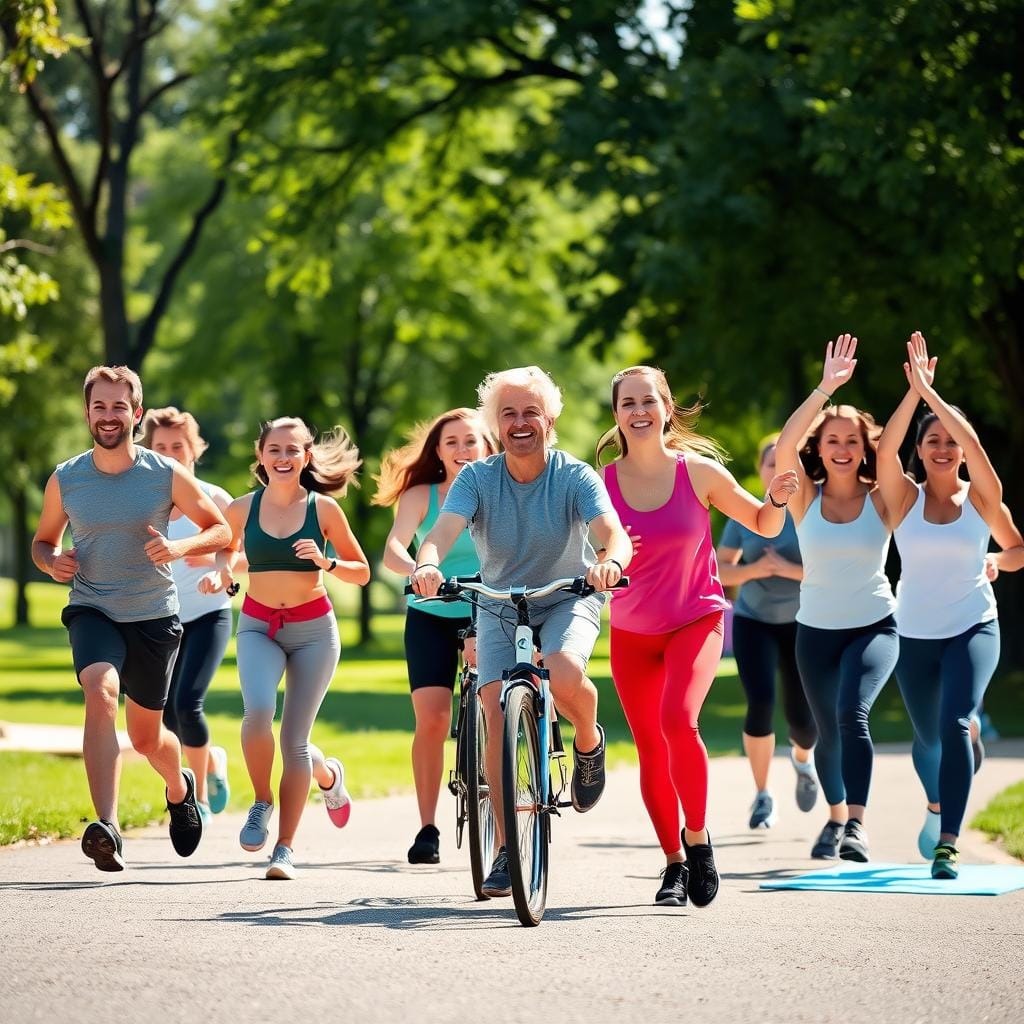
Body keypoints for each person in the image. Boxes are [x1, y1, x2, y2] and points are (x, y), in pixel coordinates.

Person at [410, 366, 632, 899]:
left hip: (566, 595)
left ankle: (587, 740)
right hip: (499, 604)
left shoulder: (575, 476)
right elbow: (440, 535)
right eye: (508, 414)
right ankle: (508, 849)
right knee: (492, 702)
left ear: (550, 419)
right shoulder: (478, 479)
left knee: (562, 668)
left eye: (530, 411)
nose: (519, 422)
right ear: (496, 425)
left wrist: (609, 563)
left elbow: (612, 534)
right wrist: (428, 563)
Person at [598, 366, 798, 908]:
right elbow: (581, 550)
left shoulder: (700, 473)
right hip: (633, 632)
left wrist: (776, 498)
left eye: (648, 401)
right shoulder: (602, 485)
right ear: (615, 415)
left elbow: (763, 523)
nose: (638, 412)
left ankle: (699, 839)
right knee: (648, 749)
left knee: (676, 721)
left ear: (667, 408)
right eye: (627, 404)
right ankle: (672, 863)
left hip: (696, 619)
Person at [31, 366, 231, 871]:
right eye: (100, 406)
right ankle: (107, 828)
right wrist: (51, 561)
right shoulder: (67, 477)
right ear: (87, 412)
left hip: (152, 615)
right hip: (92, 606)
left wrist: (179, 545)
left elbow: (221, 529)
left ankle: (179, 785)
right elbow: (43, 541)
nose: (109, 416)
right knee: (99, 691)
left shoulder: (162, 473)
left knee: (146, 737)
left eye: (119, 406)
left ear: (136, 414)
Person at [877, 332, 1024, 879]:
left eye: (951, 440)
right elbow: (884, 451)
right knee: (929, 736)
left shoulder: (982, 497)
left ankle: (947, 842)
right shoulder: (905, 498)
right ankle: (937, 802)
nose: (943, 447)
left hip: (973, 626)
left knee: (957, 722)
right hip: (913, 632)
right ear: (921, 449)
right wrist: (915, 395)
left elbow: (1016, 550)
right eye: (932, 439)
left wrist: (935, 398)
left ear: (962, 449)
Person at [206, 417, 370, 879]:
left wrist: (326, 560)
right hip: (259, 626)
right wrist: (223, 572)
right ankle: (263, 799)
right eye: (274, 450)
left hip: (314, 631)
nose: (283, 458)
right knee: (257, 714)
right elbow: (225, 548)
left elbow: (361, 572)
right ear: (260, 456)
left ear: (307, 457)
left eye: (292, 450)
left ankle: (285, 848)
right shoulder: (241, 508)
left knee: (293, 740)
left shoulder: (324, 510)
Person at [775, 335, 899, 863]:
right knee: (827, 731)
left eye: (852, 441)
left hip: (875, 625)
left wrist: (918, 392)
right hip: (815, 632)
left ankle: (857, 825)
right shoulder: (804, 494)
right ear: (820, 448)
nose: (843, 449)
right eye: (832, 441)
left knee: (853, 715)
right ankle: (837, 815)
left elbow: (894, 446)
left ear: (864, 447)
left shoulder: (884, 495)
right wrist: (826, 388)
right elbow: (784, 447)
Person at [374, 408, 495, 864]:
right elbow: (393, 547)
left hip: (487, 608)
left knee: (491, 702)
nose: (463, 450)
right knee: (431, 718)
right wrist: (420, 569)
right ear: (438, 451)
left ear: (487, 447)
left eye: (471, 441)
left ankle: (498, 802)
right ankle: (427, 826)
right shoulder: (421, 494)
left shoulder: (497, 490)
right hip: (429, 610)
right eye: (452, 443)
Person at [717, 435, 819, 830]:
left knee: (801, 717)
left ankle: (803, 760)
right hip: (753, 620)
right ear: (760, 472)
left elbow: (833, 569)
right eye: (770, 465)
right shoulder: (744, 514)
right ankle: (762, 796)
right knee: (759, 703)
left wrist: (787, 569)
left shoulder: (812, 512)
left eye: (785, 464)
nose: (777, 472)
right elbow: (720, 569)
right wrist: (755, 570)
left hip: (801, 622)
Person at [142, 407, 235, 823]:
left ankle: (193, 798)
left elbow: (244, 552)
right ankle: (212, 760)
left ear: (194, 449)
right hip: (162, 618)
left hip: (210, 615)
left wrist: (220, 570)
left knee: (187, 704)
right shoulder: (144, 502)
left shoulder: (215, 500)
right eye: (160, 447)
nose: (170, 454)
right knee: (163, 715)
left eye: (177, 446)